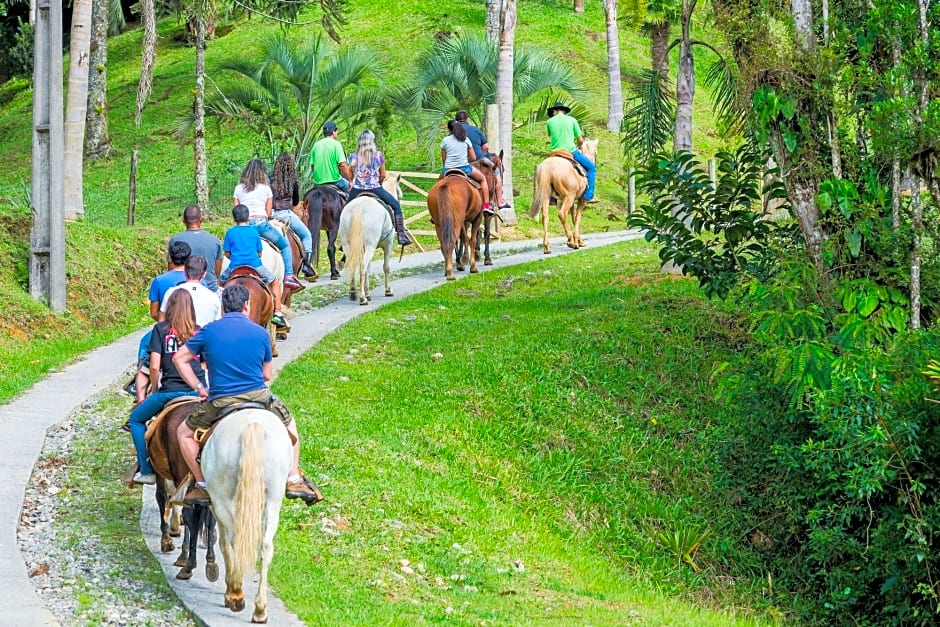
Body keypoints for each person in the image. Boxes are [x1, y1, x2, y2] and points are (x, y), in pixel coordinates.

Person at [173, 284, 322, 505]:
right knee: (290, 425)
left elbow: (179, 358)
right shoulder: (260, 332)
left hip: (220, 399)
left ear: (223, 307)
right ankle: (293, 478)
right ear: (246, 305)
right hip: (258, 396)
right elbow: (267, 374)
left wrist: (199, 388)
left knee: (183, 433)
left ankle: (202, 485)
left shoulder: (208, 331)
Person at [128, 289, 207, 485]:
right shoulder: (199, 331)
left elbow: (154, 366)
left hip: (170, 391)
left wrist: (155, 390)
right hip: (197, 392)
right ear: (191, 308)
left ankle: (146, 470)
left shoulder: (160, 330)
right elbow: (205, 364)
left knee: (136, 419)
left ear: (170, 307)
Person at [233, 159, 304, 292]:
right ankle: (289, 275)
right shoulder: (266, 188)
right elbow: (269, 212)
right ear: (262, 173)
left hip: (244, 226)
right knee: (284, 245)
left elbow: (236, 211)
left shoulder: (238, 189)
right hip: (262, 225)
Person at [220, 204, 289, 329]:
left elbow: (227, 253)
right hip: (255, 265)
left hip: (234, 266)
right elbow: (260, 253)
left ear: (234, 218)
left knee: (219, 284)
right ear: (248, 218)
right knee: (274, 281)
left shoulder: (230, 232)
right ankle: (278, 313)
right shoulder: (254, 231)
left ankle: (217, 312)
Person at [346, 129, 413, 246]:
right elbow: (383, 175)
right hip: (375, 188)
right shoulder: (378, 155)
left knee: (344, 212)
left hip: (357, 190)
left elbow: (350, 176)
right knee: (396, 206)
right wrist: (379, 182)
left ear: (360, 142)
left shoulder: (352, 157)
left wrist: (355, 181)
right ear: (372, 141)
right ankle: (401, 235)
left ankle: (344, 238)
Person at [270, 152, 317, 279]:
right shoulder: (293, 182)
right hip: (285, 214)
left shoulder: (269, 179)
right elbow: (296, 202)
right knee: (306, 235)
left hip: (270, 214)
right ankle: (307, 265)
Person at [455, 110, 510, 209]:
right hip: (476, 162)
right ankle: (499, 201)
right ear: (467, 119)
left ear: (456, 121)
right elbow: (485, 147)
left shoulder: (453, 133)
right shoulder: (475, 130)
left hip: (456, 163)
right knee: (496, 172)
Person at [546, 102, 598, 203]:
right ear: (564, 111)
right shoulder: (572, 120)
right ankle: (589, 196)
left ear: (554, 111)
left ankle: (551, 196)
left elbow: (550, 135)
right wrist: (579, 146)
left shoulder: (550, 121)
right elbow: (580, 140)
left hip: (555, 153)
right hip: (570, 151)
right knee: (592, 168)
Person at [441, 119, 493, 215]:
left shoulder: (445, 140)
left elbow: (444, 160)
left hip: (448, 169)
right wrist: (464, 160)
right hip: (464, 168)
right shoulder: (465, 139)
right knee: (482, 179)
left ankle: (435, 211)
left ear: (449, 130)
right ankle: (486, 205)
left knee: (439, 184)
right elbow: (473, 158)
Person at [168, 205, 223, 292]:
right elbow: (217, 272)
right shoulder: (215, 240)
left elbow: (171, 269)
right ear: (201, 219)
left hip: (182, 291)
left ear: (183, 220)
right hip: (210, 289)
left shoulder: (175, 241)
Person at [160, 255, 221, 327]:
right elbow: (217, 324)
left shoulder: (171, 292)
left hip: (177, 336)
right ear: (204, 275)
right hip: (204, 337)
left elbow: (161, 321)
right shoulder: (213, 297)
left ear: (185, 272)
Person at [148, 240, 190, 321]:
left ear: (170, 258)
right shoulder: (199, 281)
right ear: (189, 258)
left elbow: (154, 313)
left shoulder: (159, 281)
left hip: (167, 328)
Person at [310, 121, 352, 191]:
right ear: (333, 132)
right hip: (335, 182)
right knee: (352, 191)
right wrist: (350, 180)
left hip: (317, 183)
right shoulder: (336, 144)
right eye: (337, 131)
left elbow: (312, 166)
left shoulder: (316, 145)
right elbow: (343, 165)